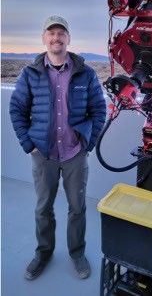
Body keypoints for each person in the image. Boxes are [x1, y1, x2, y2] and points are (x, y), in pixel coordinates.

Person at [9, 15, 106, 280]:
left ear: (68, 38)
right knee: (43, 208)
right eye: (51, 33)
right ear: (44, 39)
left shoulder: (85, 73)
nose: (56, 38)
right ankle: (43, 253)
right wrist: (29, 145)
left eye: (61, 33)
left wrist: (88, 141)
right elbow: (17, 109)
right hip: (44, 154)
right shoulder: (30, 74)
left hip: (75, 153)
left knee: (77, 208)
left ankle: (77, 253)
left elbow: (99, 109)